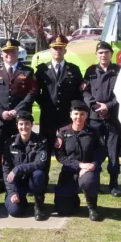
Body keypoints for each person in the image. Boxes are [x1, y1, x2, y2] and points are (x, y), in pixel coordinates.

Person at [0, 39, 38, 194]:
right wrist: (1, 112)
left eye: (13, 51)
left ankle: (22, 181)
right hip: (1, 118)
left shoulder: (27, 72)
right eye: (6, 52)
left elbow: (32, 92)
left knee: (21, 149)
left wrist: (16, 111)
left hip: (19, 120)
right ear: (2, 54)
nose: (9, 54)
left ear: (17, 53)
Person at [35, 35, 84, 173]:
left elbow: (78, 93)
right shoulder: (42, 69)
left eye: (60, 48)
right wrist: (44, 104)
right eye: (55, 48)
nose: (57, 51)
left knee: (69, 149)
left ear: (65, 51)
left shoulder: (74, 70)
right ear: (50, 50)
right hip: (48, 116)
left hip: (66, 118)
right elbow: (35, 91)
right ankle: (42, 183)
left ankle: (69, 182)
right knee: (45, 150)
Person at [82, 41, 121, 197]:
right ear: (96, 55)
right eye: (100, 53)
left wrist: (109, 106)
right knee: (96, 150)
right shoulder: (90, 71)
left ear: (111, 54)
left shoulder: (119, 71)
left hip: (113, 117)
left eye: (106, 52)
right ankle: (95, 182)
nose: (103, 55)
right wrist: (95, 106)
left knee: (113, 151)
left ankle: (114, 184)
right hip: (95, 118)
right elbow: (85, 92)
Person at [54, 100, 105, 221]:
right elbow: (60, 156)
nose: (79, 117)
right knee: (62, 210)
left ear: (86, 115)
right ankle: (73, 198)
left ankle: (92, 207)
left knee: (87, 181)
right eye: (76, 114)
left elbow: (101, 152)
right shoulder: (62, 132)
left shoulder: (94, 132)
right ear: (71, 114)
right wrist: (79, 165)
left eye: (82, 114)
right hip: (69, 172)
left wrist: (94, 164)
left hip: (89, 170)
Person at [3, 111, 49, 220]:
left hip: (32, 181)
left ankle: (39, 206)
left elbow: (40, 163)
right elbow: (6, 169)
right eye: (21, 124)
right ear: (17, 125)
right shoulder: (10, 143)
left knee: (39, 174)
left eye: (27, 123)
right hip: (17, 183)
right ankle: (19, 199)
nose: (24, 127)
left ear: (32, 125)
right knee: (15, 212)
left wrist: (19, 168)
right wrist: (12, 191)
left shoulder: (41, 141)